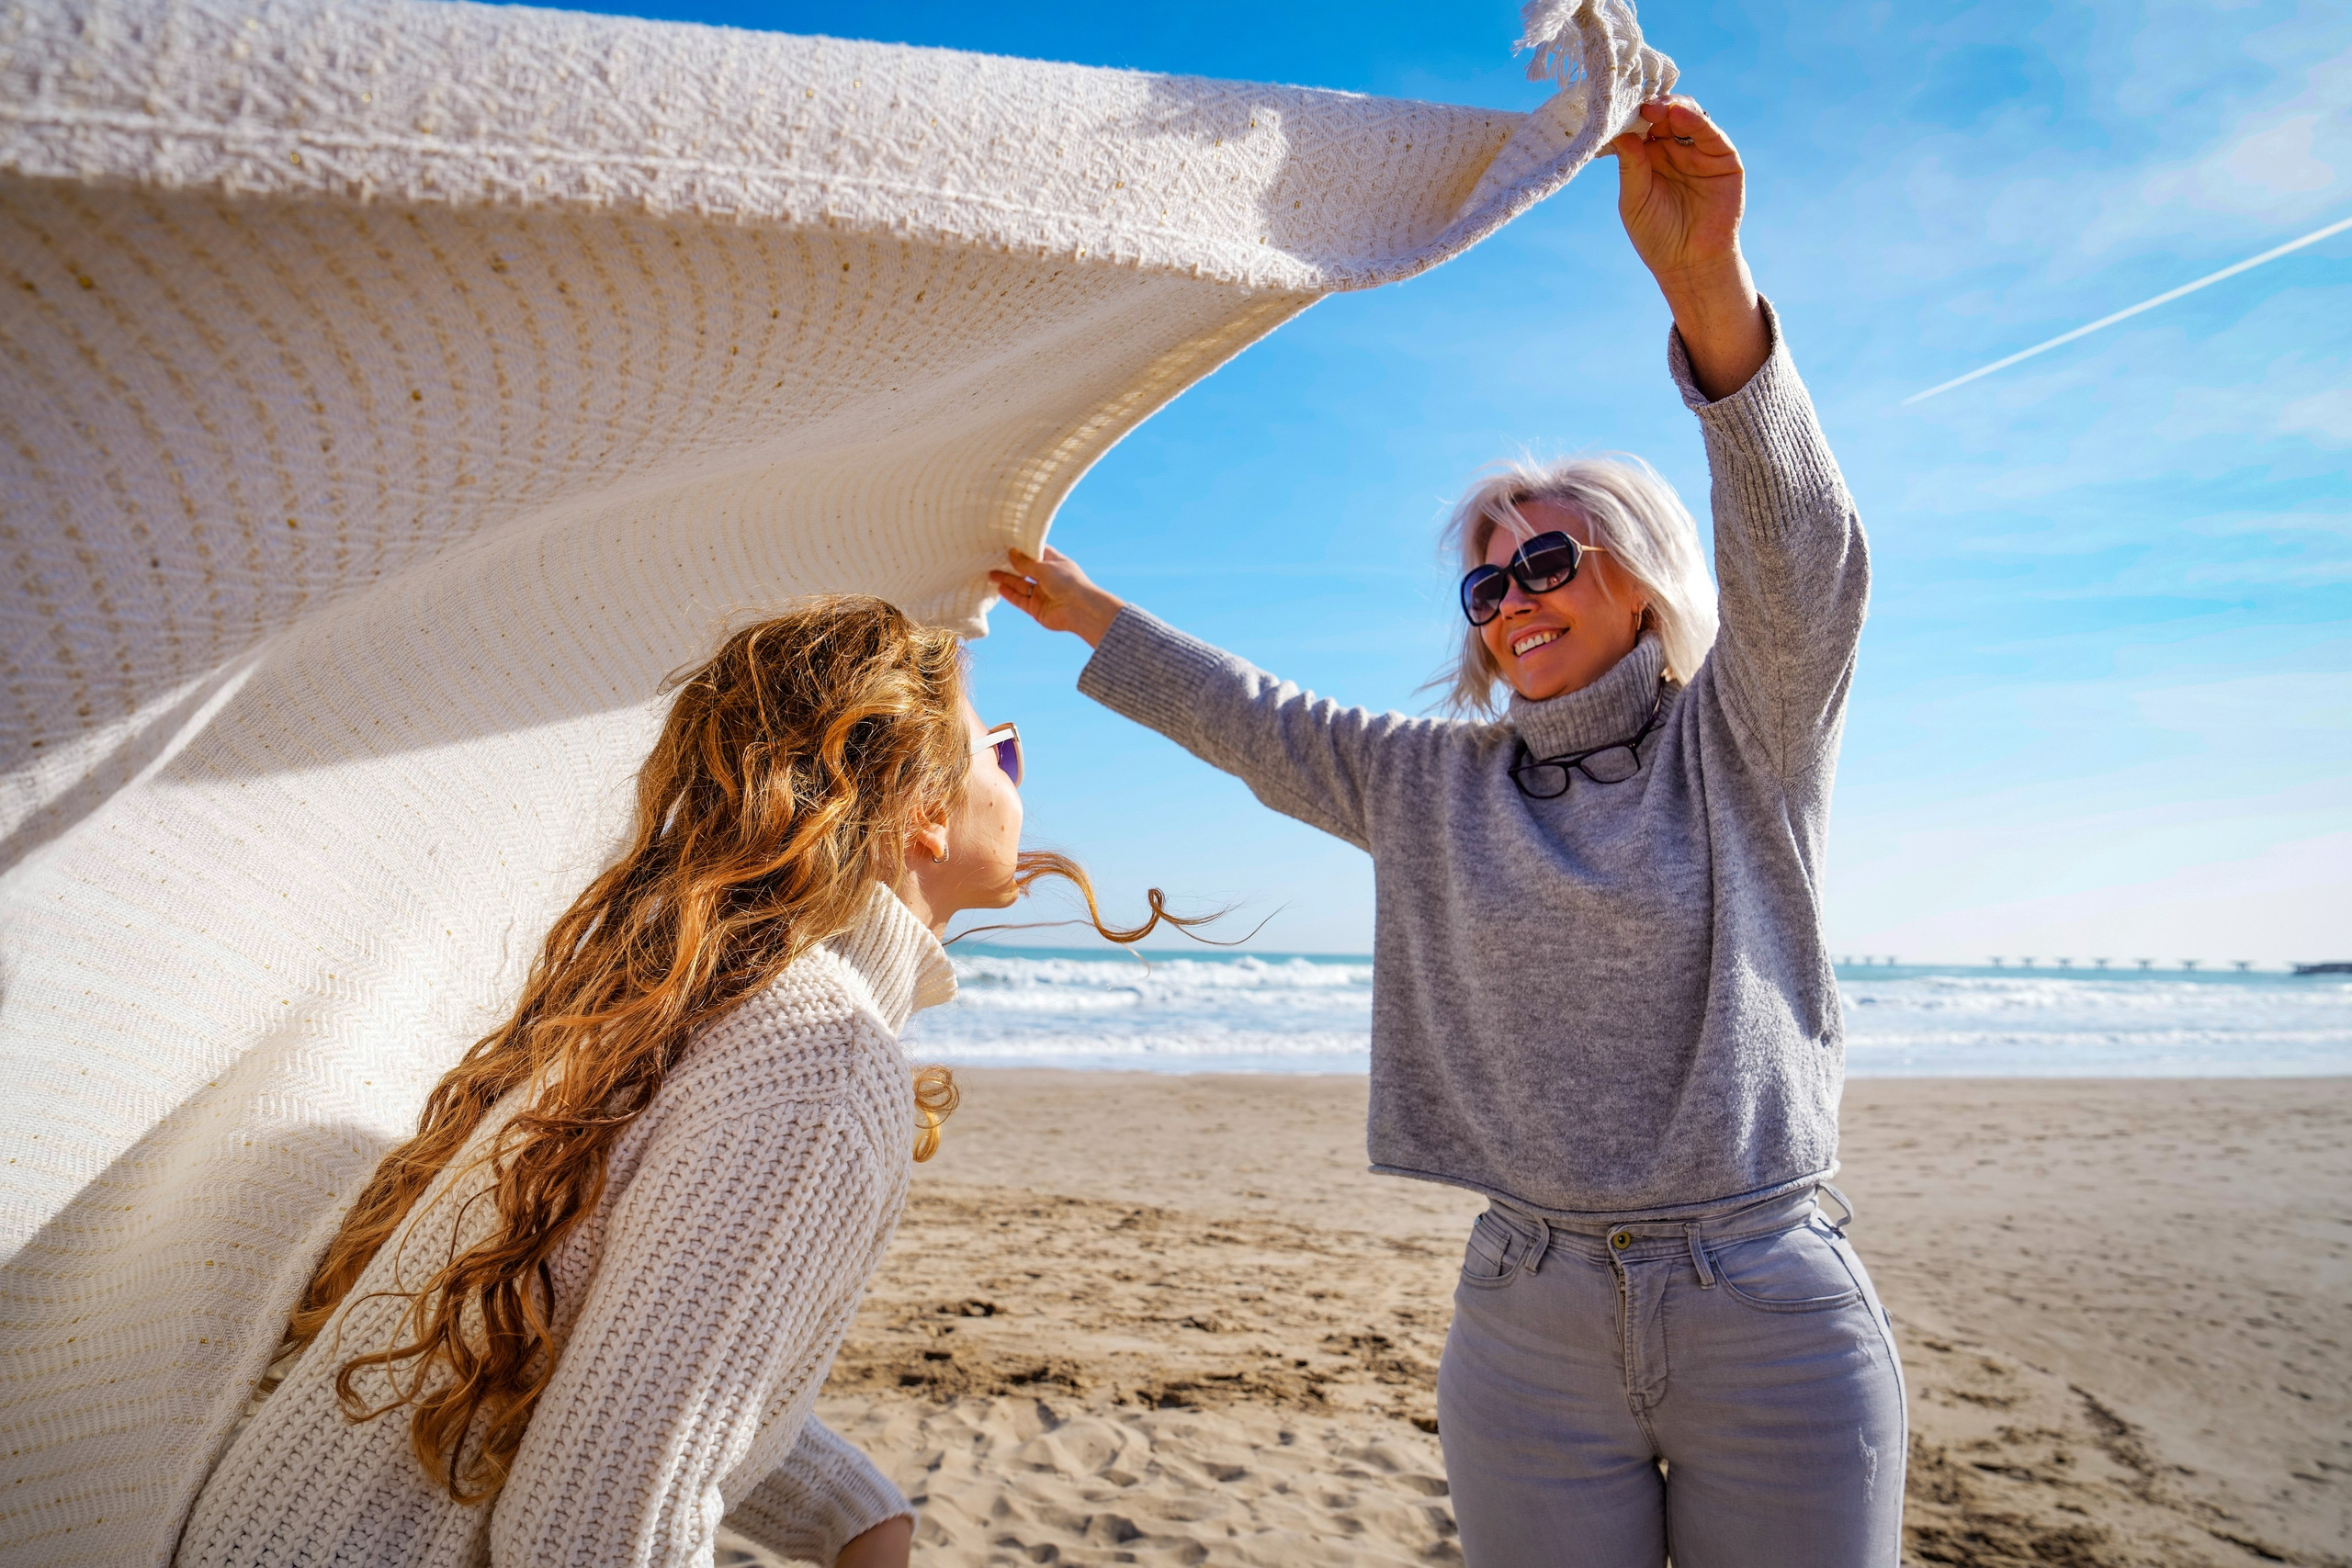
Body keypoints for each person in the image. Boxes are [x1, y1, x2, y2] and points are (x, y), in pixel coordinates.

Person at [989, 96, 1905, 1567]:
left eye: (1547, 557)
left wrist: (1705, 290)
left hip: (1767, 1303)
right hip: (1527, 1317)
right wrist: (1088, 612)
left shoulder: (1745, 741)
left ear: (1644, 580)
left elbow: (1803, 560)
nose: (1514, 597)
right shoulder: (1433, 783)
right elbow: (1258, 718)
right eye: (1485, 586)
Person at [174, 596, 1194, 1568]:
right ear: (925, 809)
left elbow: (634, 1360)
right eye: (1003, 751)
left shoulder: (695, 1007)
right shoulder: (820, 1060)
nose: (1021, 777)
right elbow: (593, 1532)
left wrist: (852, 1505)